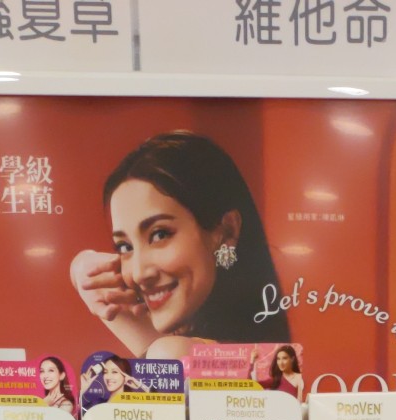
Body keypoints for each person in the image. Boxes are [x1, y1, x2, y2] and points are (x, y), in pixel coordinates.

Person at [70, 131, 290, 359]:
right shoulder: (257, 358)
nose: (138, 274)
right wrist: (80, 267)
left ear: (227, 231)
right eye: (125, 247)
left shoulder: (175, 354)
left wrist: (80, 268)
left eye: (159, 234)